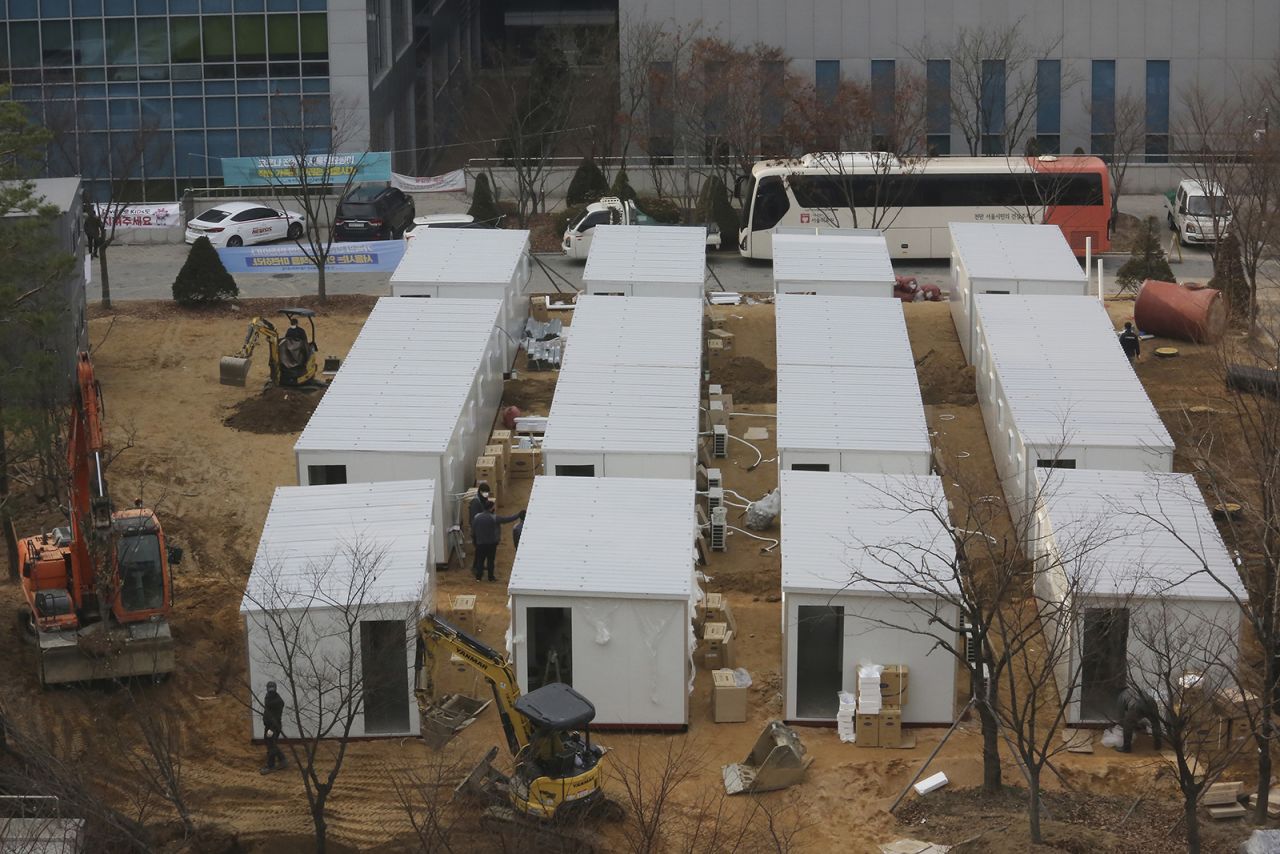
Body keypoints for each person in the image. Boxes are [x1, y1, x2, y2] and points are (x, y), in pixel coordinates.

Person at [471, 499, 522, 582]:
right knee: (490, 560)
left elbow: (473, 530)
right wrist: (518, 515)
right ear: (491, 508)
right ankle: (490, 577)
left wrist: (474, 540)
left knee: (480, 560)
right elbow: (507, 519)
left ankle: (478, 577)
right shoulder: (494, 518)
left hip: (480, 543)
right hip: (491, 543)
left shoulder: (477, 517)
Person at [1117, 685, 1162, 753]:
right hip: (1151, 702)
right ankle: (1158, 743)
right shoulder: (1136, 688)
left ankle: (1126, 748)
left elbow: (1121, 716)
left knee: (1127, 724)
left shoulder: (1121, 695)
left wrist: (1122, 725)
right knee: (1155, 723)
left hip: (1137, 704)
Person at [261, 681, 287, 774]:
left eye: (272, 688)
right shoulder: (268, 697)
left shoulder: (278, 701)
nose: (271, 690)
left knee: (271, 746)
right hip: (268, 725)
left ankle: (270, 766)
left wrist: (272, 729)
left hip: (274, 726)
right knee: (270, 744)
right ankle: (282, 760)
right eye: (269, 688)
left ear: (275, 688)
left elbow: (277, 717)